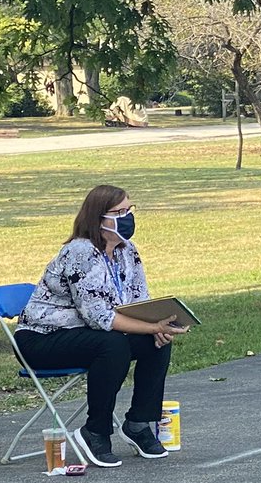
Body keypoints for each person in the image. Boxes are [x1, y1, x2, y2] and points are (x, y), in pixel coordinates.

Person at [15, 185, 188, 468]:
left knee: (155, 342)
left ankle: (138, 423)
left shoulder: (127, 251)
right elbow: (99, 317)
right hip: (42, 338)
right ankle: (95, 431)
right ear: (99, 218)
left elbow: (138, 301)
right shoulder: (80, 252)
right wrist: (150, 326)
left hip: (87, 335)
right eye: (119, 212)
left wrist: (160, 324)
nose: (127, 217)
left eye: (130, 210)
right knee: (113, 344)